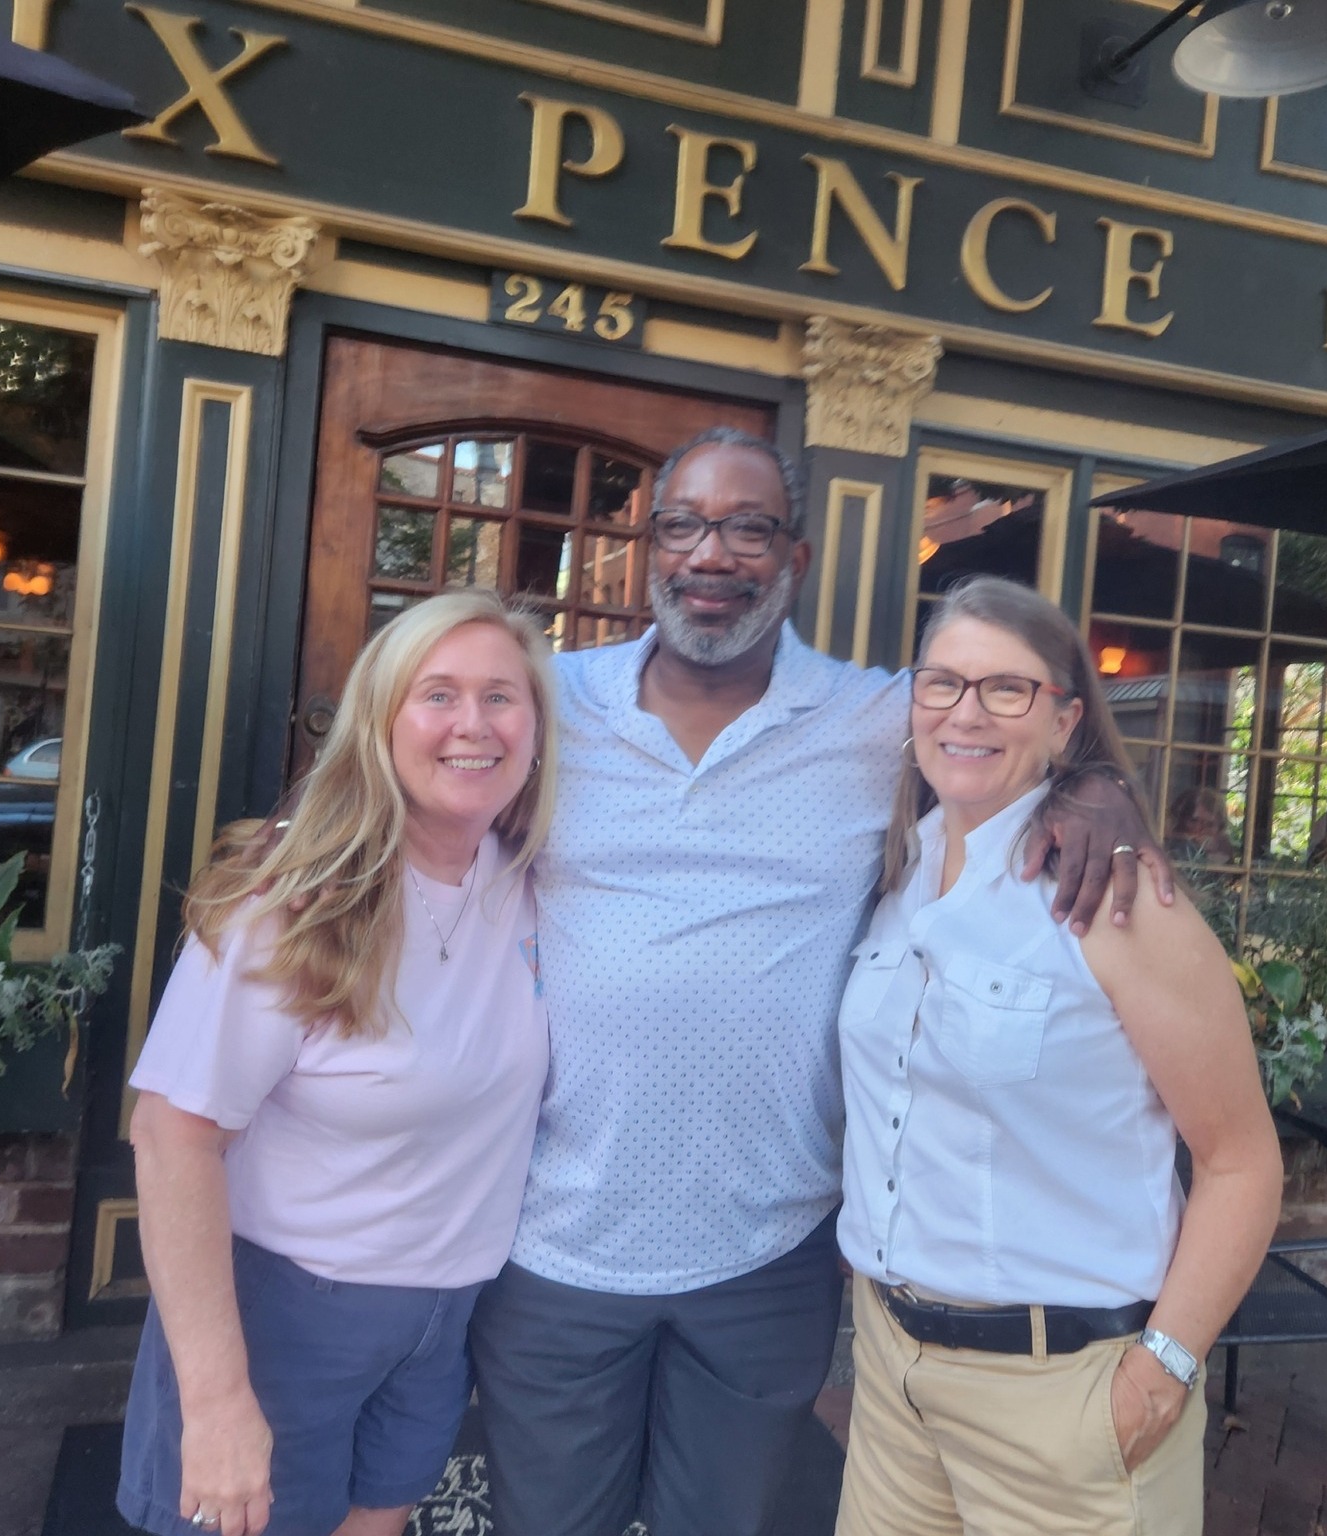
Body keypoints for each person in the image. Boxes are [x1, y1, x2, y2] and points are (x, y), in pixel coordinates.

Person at [468, 429, 1174, 1536]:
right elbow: (413, 769)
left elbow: (994, 726)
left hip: (768, 1250)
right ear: (649, 546)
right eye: (684, 524)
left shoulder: (875, 717)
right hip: (554, 1236)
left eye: (747, 527)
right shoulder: (554, 702)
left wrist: (1094, 792)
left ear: (793, 559)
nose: (713, 553)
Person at [836, 576, 1283, 1536]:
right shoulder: (897, 877)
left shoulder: (1119, 903)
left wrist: (1162, 1372)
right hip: (892, 1376)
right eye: (943, 683)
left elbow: (1242, 1161)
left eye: (1008, 689)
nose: (967, 711)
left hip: (1066, 1395)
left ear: (1065, 718)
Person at [116, 590, 556, 1536]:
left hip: (445, 1315)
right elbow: (169, 1136)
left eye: (501, 697)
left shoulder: (523, 884)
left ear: (536, 728)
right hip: (283, 1318)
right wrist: (219, 1401)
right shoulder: (292, 901)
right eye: (437, 695)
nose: (472, 725)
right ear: (379, 720)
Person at [1167, 784, 1235, 863]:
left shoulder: (1223, 848)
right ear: (1181, 820)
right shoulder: (1168, 845)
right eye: (1194, 821)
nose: (1199, 829)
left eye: (1209, 825)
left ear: (1219, 828)